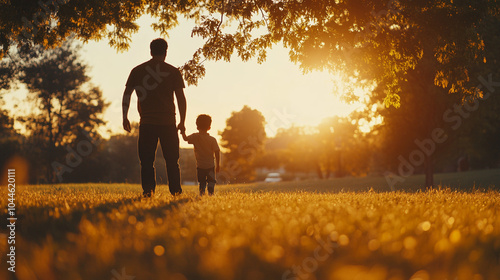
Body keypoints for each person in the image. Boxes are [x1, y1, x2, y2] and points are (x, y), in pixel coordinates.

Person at [122, 38, 186, 197]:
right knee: (172, 161)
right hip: (168, 123)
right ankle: (176, 192)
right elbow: (180, 98)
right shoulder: (172, 71)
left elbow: (127, 95)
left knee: (146, 161)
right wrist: (182, 121)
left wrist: (125, 116)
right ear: (166, 51)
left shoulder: (137, 71)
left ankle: (148, 192)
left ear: (150, 51)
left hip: (147, 123)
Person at [181, 114, 220, 196]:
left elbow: (185, 139)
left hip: (200, 166)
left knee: (202, 181)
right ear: (209, 127)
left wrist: (183, 132)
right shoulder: (212, 140)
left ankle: (202, 194)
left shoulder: (195, 137)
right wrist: (218, 165)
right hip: (211, 166)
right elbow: (217, 152)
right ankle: (211, 194)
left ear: (197, 127)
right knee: (211, 181)